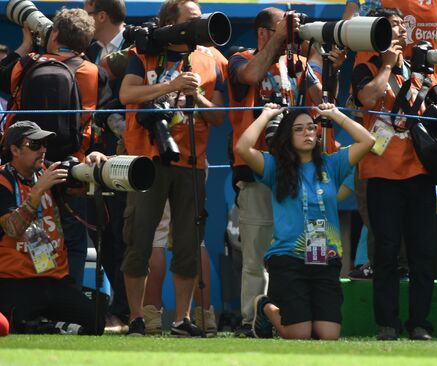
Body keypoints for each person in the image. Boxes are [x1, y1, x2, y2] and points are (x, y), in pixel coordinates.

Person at [351, 7, 437, 340]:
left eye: (404, 27)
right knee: (386, 251)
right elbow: (367, 98)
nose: (402, 32)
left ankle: (420, 323)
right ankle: (386, 323)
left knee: (422, 253)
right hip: (381, 172)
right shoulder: (366, 65)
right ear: (377, 33)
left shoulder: (419, 69)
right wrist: (387, 64)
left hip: (420, 172)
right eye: (393, 27)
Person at [119, 0, 226, 336]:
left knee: (188, 242)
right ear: (172, 24)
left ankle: (182, 319)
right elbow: (126, 94)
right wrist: (170, 86)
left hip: (191, 161)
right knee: (140, 238)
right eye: (193, 20)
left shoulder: (211, 59)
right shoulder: (145, 51)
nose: (201, 24)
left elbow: (219, 117)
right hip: (146, 160)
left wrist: (197, 96)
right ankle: (137, 317)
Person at [235, 102, 374, 339]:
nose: (307, 133)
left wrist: (336, 114)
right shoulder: (274, 166)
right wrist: (266, 115)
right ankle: (264, 306)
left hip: (325, 257)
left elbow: (368, 141)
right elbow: (243, 147)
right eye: (298, 129)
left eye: (311, 128)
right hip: (288, 258)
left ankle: (292, 312)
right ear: (287, 136)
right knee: (299, 333)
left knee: (328, 335)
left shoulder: (332, 164)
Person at [228, 7, 327, 337]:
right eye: (282, 31)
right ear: (262, 34)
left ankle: (286, 315)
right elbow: (251, 76)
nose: (289, 39)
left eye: (292, 33)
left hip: (294, 172)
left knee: (294, 251)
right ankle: (249, 320)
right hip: (255, 169)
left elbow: (317, 98)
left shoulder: (295, 64)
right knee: (256, 253)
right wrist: (280, 40)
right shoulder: (241, 57)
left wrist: (316, 55)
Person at [0, 8, 113, 289]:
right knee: (72, 240)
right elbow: (101, 119)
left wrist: (27, 45)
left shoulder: (26, 65)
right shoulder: (93, 72)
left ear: (55, 34)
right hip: (70, 168)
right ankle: (66, 297)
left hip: (22, 168)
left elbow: (3, 80)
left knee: (11, 231)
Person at [0, 121, 107, 335]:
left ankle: (48, 326)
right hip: (15, 279)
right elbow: (12, 228)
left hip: (54, 278)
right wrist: (38, 191)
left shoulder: (49, 171)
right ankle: (48, 325)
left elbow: (83, 183)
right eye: (34, 145)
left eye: (44, 144)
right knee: (12, 322)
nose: (42, 150)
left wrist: (93, 162)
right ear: (14, 150)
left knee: (95, 322)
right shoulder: (3, 181)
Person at [83, 0, 130, 332]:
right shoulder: (85, 50)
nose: (84, 15)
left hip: (129, 156)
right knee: (102, 234)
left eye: (87, 8)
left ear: (101, 15)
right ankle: (119, 308)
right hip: (92, 158)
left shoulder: (137, 45)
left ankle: (129, 309)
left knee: (126, 235)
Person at [343, 0, 437, 57]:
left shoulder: (380, 2)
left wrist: (352, 4)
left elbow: (347, 32)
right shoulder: (436, 3)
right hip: (430, 81)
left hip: (388, 79)